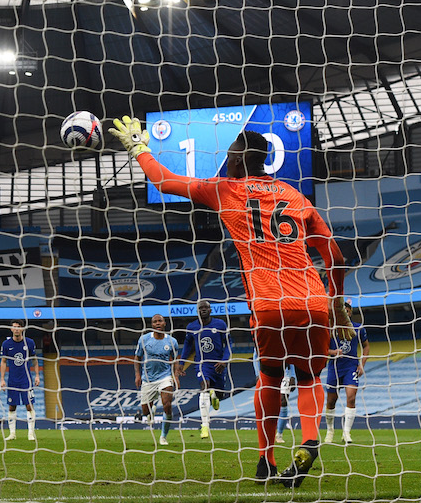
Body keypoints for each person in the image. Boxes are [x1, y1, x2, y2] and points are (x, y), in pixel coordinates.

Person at [110, 118, 352, 488]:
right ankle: (308, 440)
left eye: (228, 156)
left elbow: (164, 182)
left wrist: (139, 148)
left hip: (270, 303)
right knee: (308, 378)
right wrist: (336, 305)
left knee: (270, 377)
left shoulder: (226, 190)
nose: (226, 162)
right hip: (314, 300)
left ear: (238, 162)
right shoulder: (295, 196)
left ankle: (265, 461)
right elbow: (335, 256)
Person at [179, 300, 232, 439]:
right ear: (197, 311)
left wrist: (224, 361)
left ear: (210, 310)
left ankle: (215, 396)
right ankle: (204, 426)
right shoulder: (192, 327)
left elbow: (229, 344)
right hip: (202, 364)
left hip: (218, 365)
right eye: (200, 308)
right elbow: (187, 345)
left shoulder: (220, 324)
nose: (203, 310)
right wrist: (181, 362)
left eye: (205, 308)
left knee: (220, 395)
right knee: (204, 386)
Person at [324, 300, 369, 444]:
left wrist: (362, 364)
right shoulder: (330, 329)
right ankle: (330, 430)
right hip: (334, 368)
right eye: (342, 311)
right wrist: (333, 352)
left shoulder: (358, 328)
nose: (345, 313)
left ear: (350, 313)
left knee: (351, 398)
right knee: (331, 401)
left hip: (351, 367)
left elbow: (366, 346)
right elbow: (322, 349)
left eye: (347, 311)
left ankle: (346, 433)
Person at [134, 314, 180, 446]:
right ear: (152, 325)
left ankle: (163, 437)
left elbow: (176, 360)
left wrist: (175, 376)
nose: (158, 323)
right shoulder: (144, 339)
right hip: (148, 379)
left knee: (167, 404)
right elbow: (137, 358)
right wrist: (137, 375)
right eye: (155, 322)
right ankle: (152, 409)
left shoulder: (172, 341)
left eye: (160, 321)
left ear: (165, 323)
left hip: (165, 377)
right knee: (145, 411)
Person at [0, 319, 41, 441]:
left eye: (19, 327)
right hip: (12, 380)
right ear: (11, 329)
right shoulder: (6, 344)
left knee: (29, 405)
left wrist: (37, 375)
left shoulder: (30, 343)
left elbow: (34, 359)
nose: (16, 329)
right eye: (14, 327)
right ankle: (12, 434)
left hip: (26, 380)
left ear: (22, 329)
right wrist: (2, 379)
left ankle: (31, 434)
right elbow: (3, 361)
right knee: (12, 406)